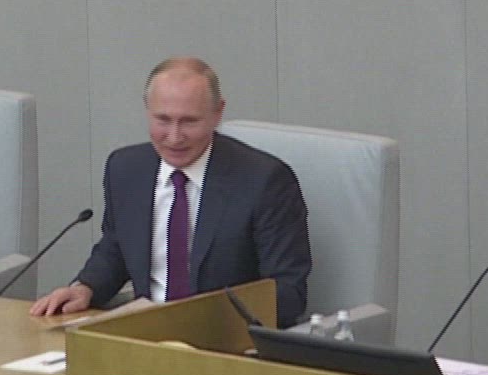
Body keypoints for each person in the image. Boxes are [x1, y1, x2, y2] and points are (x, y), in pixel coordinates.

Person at [30, 57, 311, 327]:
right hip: (144, 333)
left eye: (189, 122)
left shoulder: (264, 181)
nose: (174, 137)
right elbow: (116, 247)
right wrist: (86, 287)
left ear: (218, 113)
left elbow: (288, 293)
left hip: (223, 338)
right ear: (146, 110)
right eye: (163, 120)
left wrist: (198, 320)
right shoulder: (126, 169)